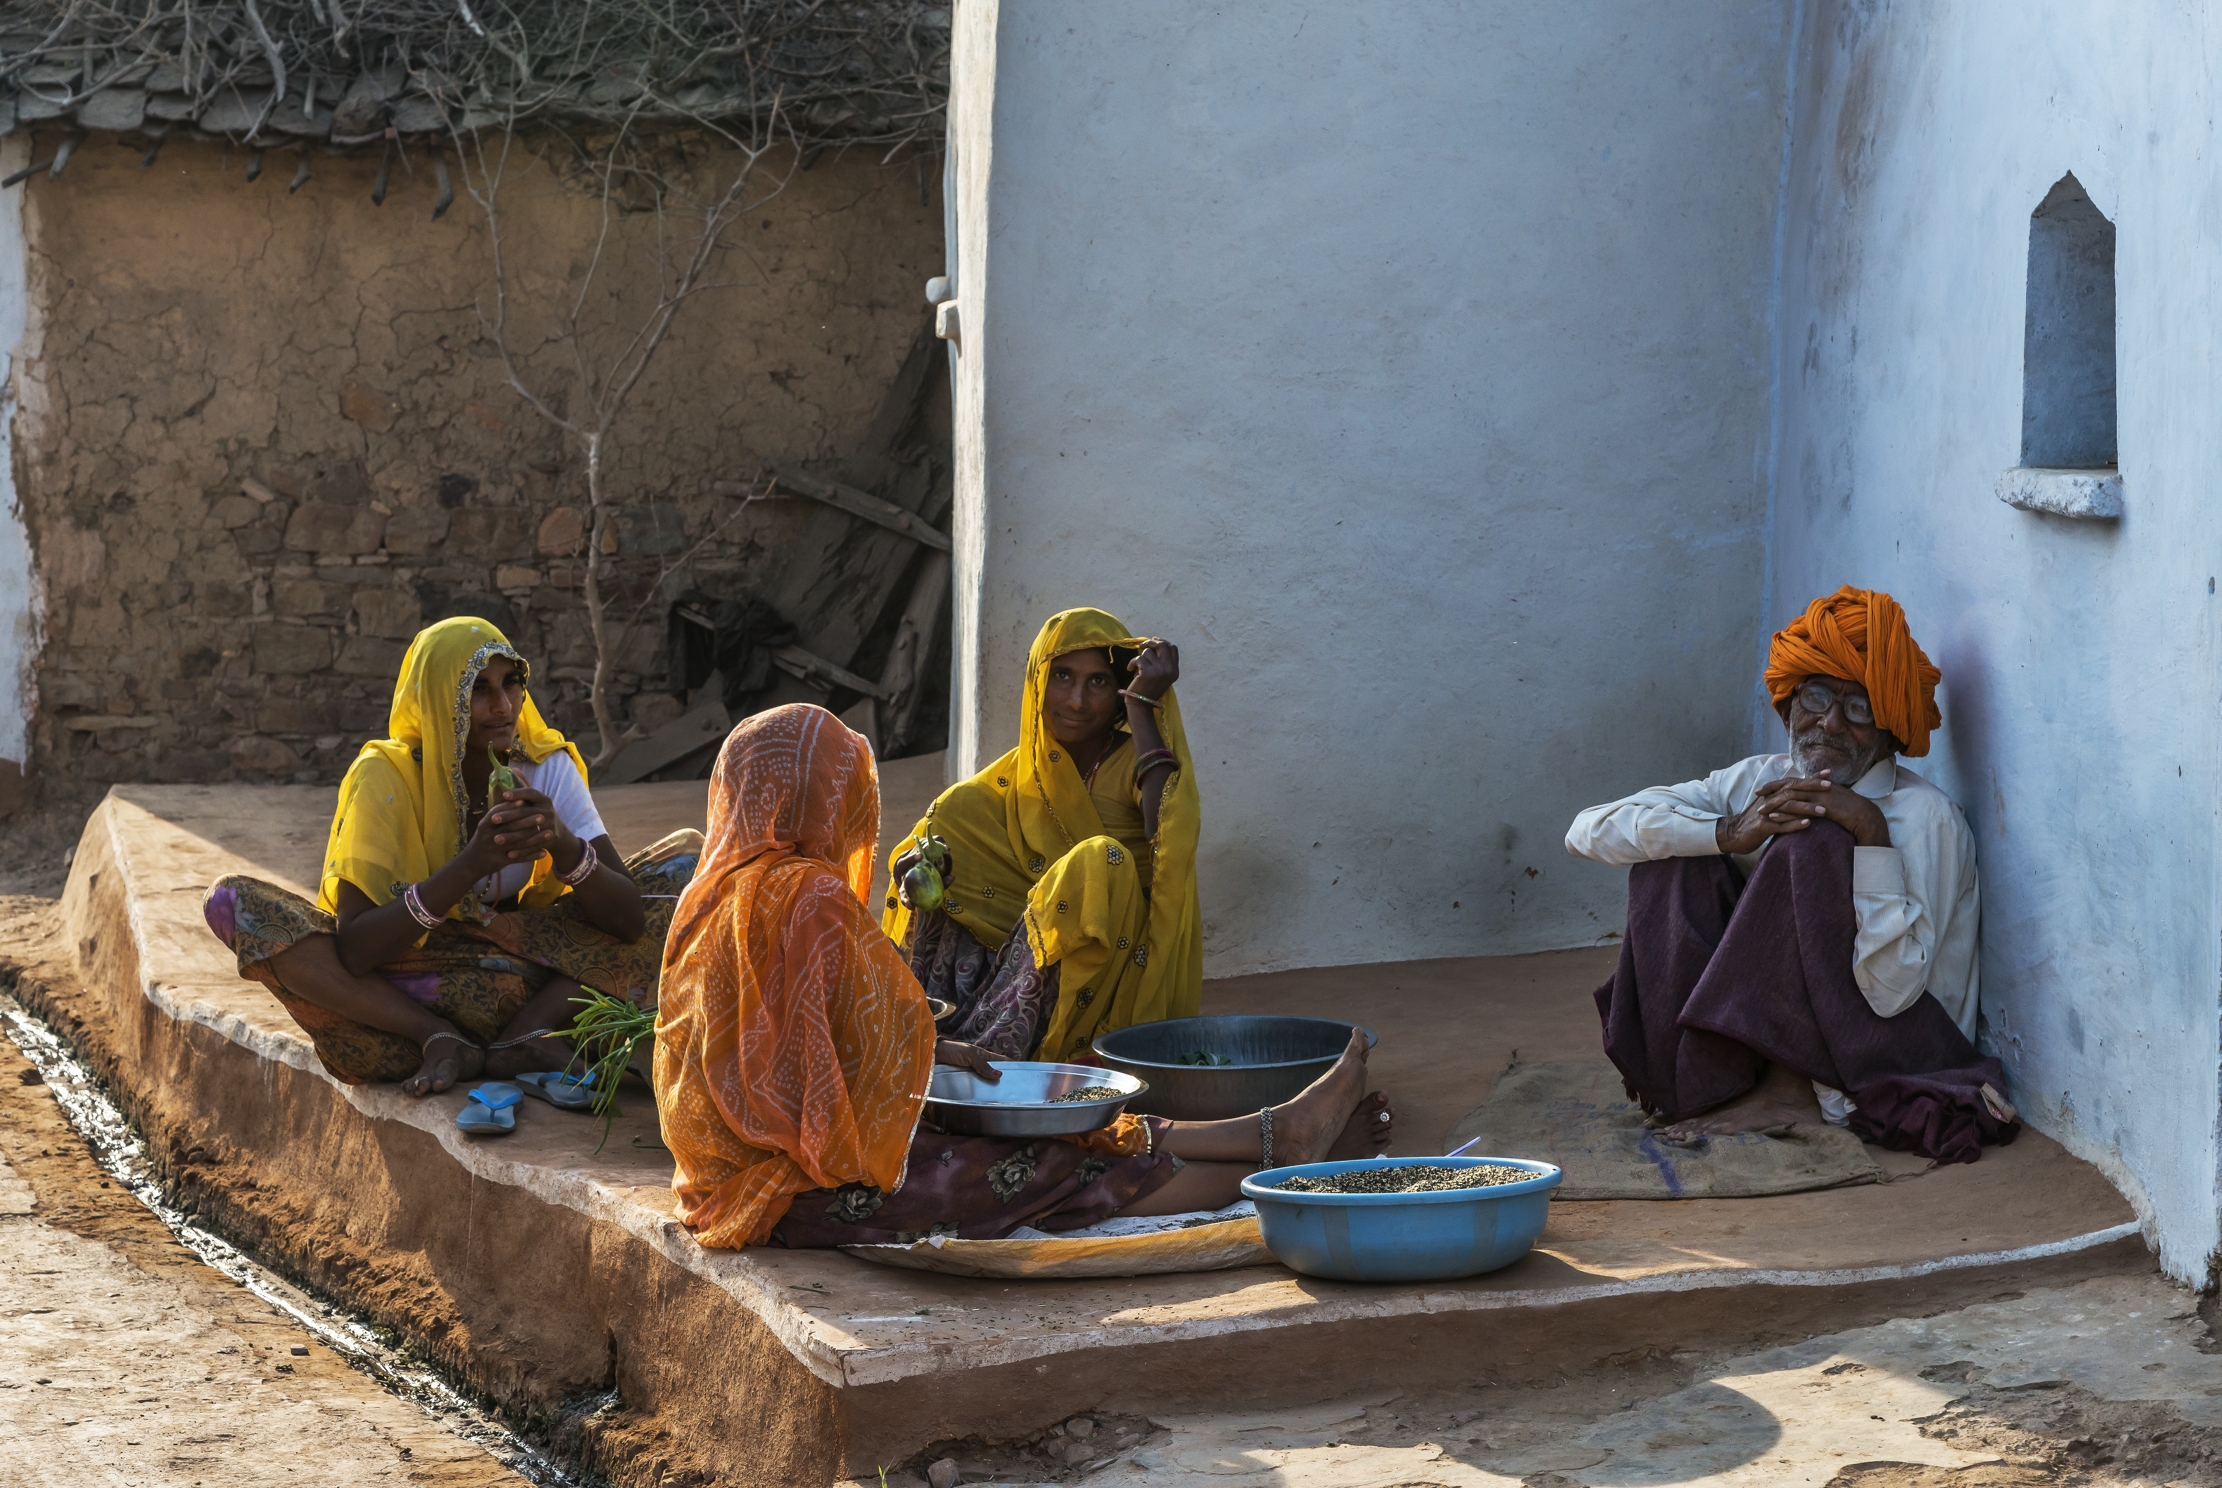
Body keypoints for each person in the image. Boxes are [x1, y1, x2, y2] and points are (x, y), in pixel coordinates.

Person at [653, 705, 1393, 1249]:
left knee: (1047, 1136)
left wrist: (930, 1052)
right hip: (787, 1189)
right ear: (813, 794)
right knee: (1039, 1168)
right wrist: (915, 1064)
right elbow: (815, 1082)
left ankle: (1276, 1132)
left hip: (725, 1172)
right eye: (840, 788)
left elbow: (787, 1046)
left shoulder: (707, 896)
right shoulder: (806, 896)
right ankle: (1286, 1171)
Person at [1564, 586, 2014, 1163]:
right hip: (1798, 1033)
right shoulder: (1757, 781)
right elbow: (1586, 831)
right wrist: (1728, 831)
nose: (1831, 723)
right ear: (1788, 706)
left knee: (1814, 840)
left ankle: (1789, 1092)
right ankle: (1703, 1082)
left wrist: (1870, 834)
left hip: (1887, 1051)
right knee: (1672, 858)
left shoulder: (1927, 819)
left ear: (1888, 730)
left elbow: (1895, 994)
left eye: (1859, 708)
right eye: (1817, 696)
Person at [202, 616, 696, 1096]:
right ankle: (439, 1037)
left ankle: (527, 1034)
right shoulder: (386, 776)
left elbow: (629, 921)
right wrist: (470, 865)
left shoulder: (544, 766)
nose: (502, 705)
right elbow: (356, 949)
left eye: (511, 684)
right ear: (438, 699)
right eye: (478, 689)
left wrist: (562, 843)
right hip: (418, 982)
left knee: (690, 871)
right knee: (232, 902)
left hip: (532, 971)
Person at [881, 607, 1200, 1064]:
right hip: (1018, 963)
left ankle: (1003, 1046)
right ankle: (940, 1030)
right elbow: (935, 851)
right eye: (1062, 677)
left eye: (1098, 682)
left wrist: (1143, 707)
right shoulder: (1019, 775)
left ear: (1119, 689)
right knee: (956, 812)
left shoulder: (1137, 757)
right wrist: (918, 871)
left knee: (1099, 861)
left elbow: (1167, 829)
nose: (1077, 701)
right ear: (1037, 681)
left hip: (1116, 952)